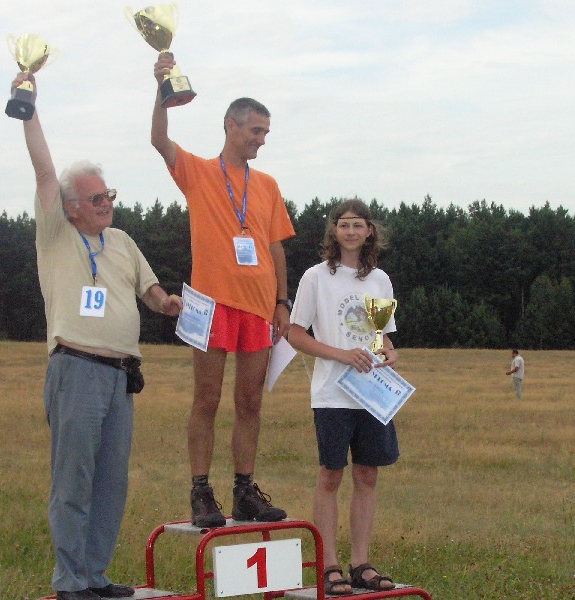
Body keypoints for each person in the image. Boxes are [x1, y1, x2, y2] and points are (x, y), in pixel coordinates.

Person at [14, 70, 183, 600]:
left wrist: (168, 304)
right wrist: (28, 105)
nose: (105, 202)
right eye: (94, 197)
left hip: (120, 376)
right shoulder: (56, 235)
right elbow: (45, 170)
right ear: (70, 207)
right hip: (76, 369)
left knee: (111, 481)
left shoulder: (124, 242)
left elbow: (150, 291)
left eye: (107, 193)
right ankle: (70, 582)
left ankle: (95, 576)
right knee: (74, 480)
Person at [150, 52, 296, 528]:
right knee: (207, 399)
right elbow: (158, 140)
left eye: (266, 133)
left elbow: (274, 246)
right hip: (208, 304)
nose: (262, 140)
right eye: (256, 130)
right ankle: (200, 491)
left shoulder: (267, 184)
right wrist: (161, 89)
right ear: (231, 126)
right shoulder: (198, 171)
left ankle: (244, 490)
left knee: (250, 402)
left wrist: (282, 302)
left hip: (258, 307)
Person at [287, 199, 399, 593]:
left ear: (369, 231)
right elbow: (295, 334)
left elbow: (381, 335)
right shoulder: (316, 277)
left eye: (358, 225)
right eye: (344, 224)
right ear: (334, 231)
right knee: (330, 475)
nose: (351, 231)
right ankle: (329, 565)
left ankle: (361, 564)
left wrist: (388, 351)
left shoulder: (380, 280)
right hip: (332, 394)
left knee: (367, 475)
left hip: (371, 395)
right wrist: (340, 355)